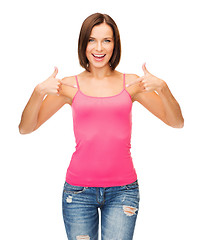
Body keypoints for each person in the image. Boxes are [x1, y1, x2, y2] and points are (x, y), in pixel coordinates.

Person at [18, 12, 184, 240]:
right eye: (92, 40)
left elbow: (176, 122)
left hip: (123, 192)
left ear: (115, 45)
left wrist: (163, 88)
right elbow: (26, 128)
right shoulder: (68, 86)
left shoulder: (131, 83)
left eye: (106, 40)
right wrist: (38, 93)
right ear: (83, 44)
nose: (99, 48)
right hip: (77, 193)